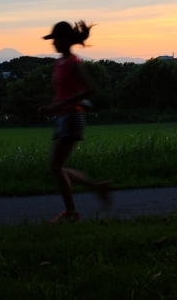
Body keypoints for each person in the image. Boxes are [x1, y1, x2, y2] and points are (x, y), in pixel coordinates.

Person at [39, 19, 112, 222]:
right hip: (63, 116)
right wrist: (51, 107)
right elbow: (62, 92)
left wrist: (60, 105)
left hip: (73, 116)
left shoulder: (74, 63)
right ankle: (96, 187)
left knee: (55, 167)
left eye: (56, 39)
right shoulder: (58, 63)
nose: (53, 43)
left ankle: (72, 213)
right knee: (55, 167)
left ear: (65, 40)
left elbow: (90, 88)